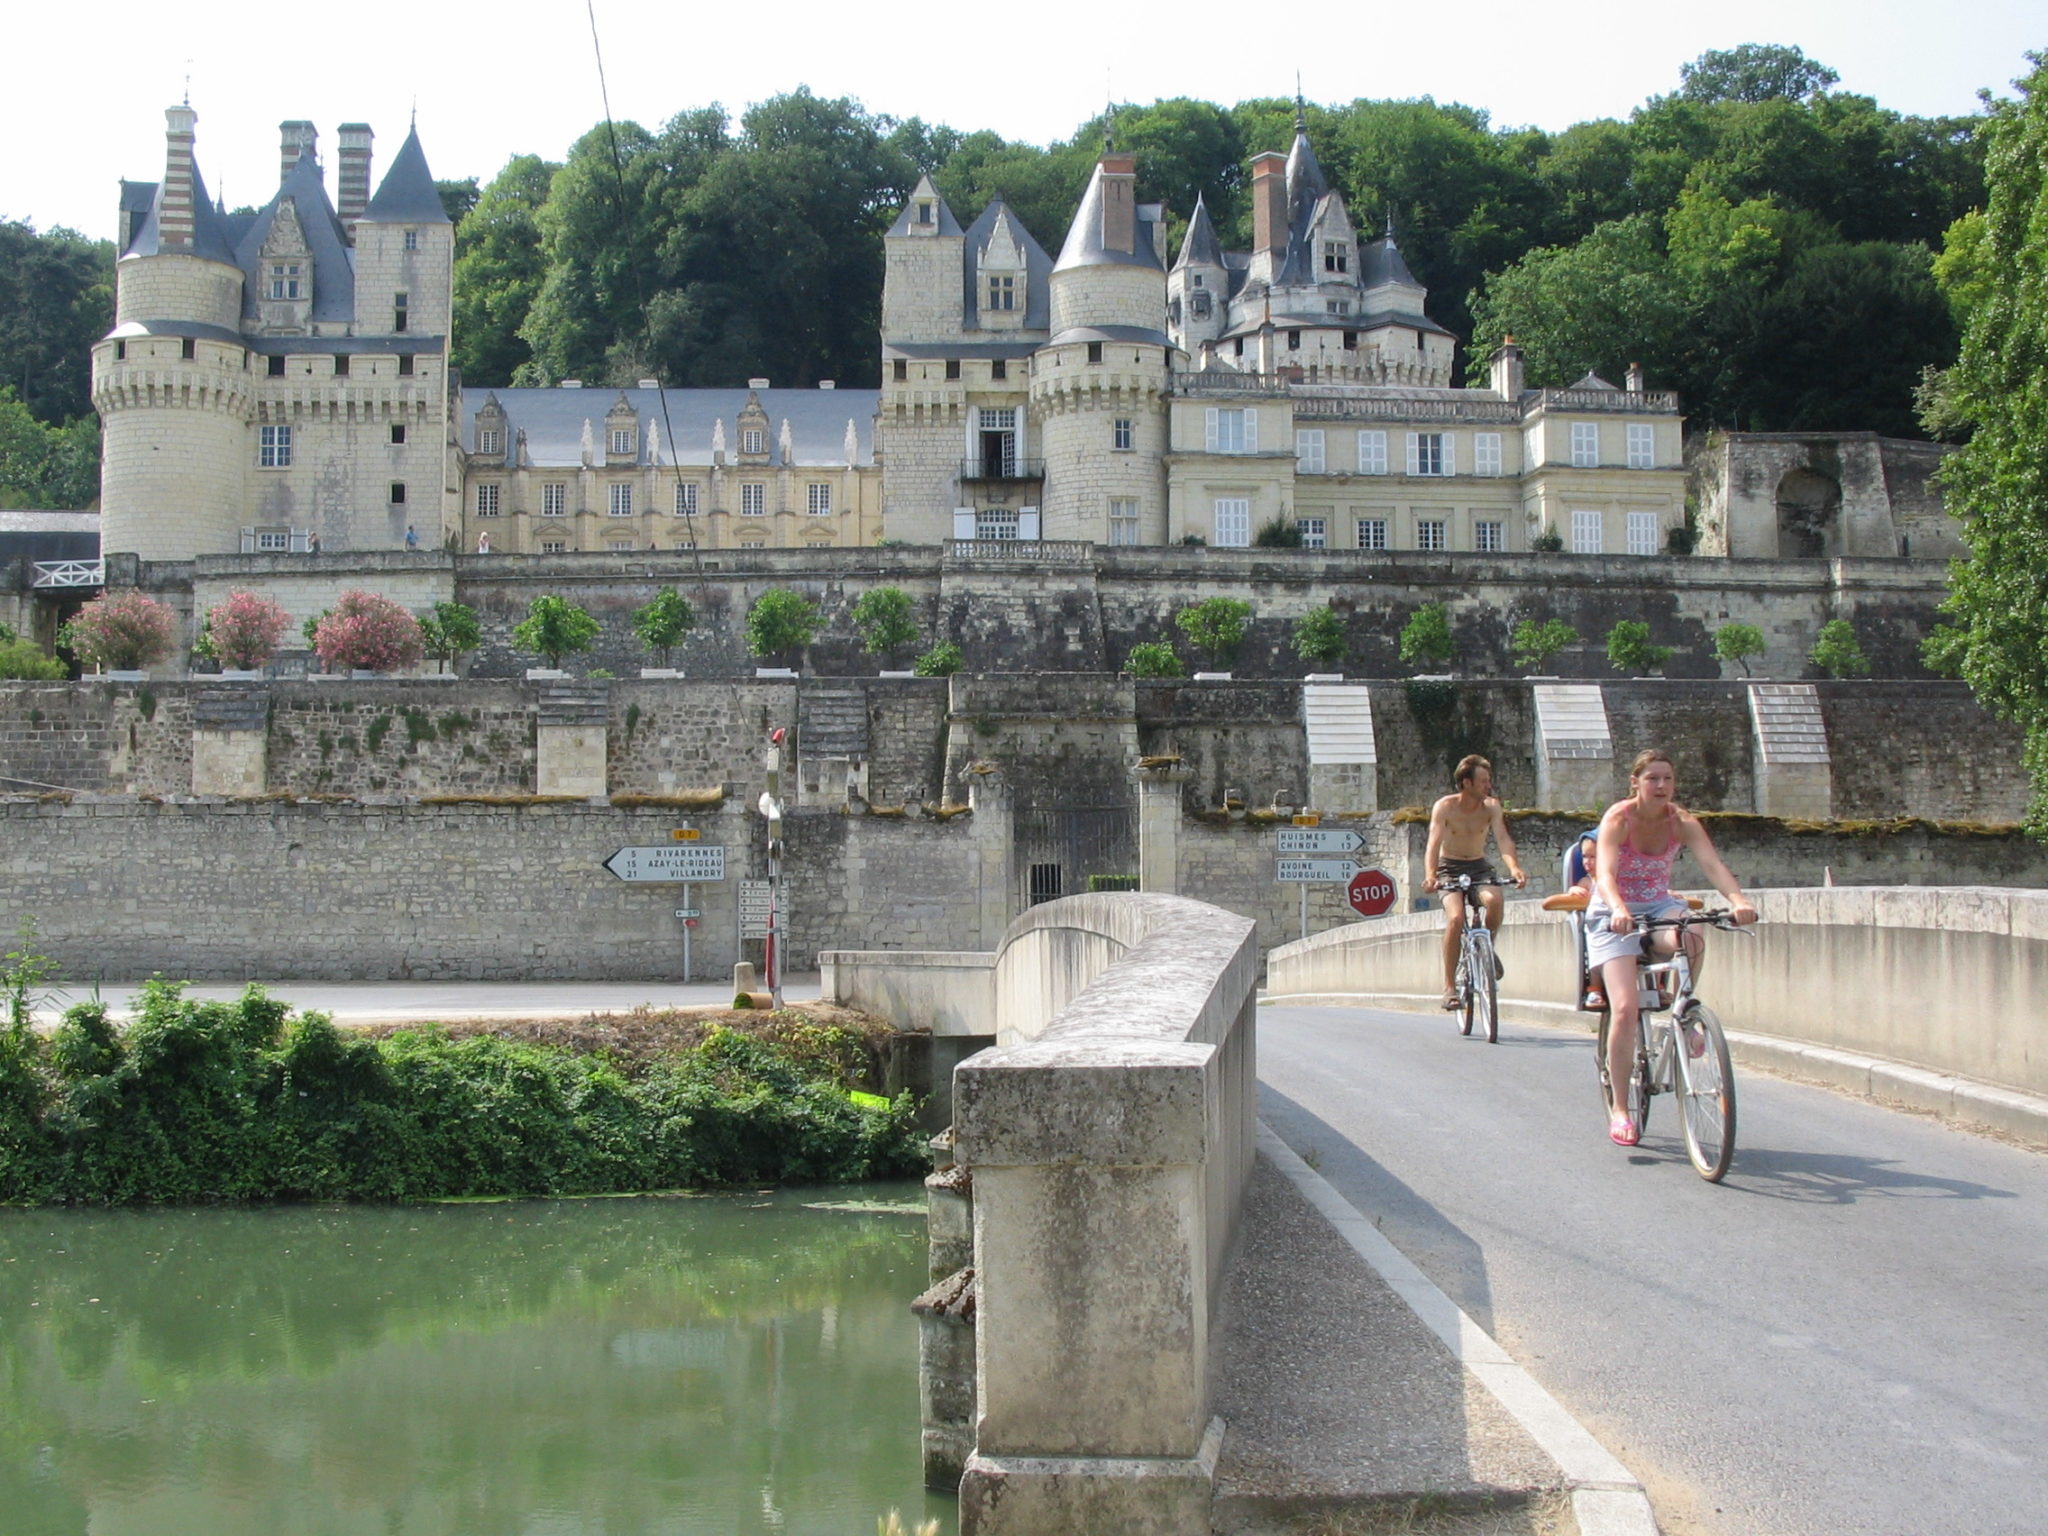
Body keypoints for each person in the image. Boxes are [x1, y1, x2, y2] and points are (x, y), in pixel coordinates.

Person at [1589, 748, 1757, 1146]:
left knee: (1695, 929)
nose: (1661, 786)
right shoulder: (1618, 818)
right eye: (1652, 779)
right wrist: (1617, 908)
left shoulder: (1681, 822)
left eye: (1667, 779)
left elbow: (1713, 865)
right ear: (1636, 782)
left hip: (1659, 906)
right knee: (1626, 1008)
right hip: (1614, 913)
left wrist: (1739, 901)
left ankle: (1683, 1009)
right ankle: (1620, 1109)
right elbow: (1606, 873)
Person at [1424, 754, 1528, 1010]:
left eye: (1488, 780)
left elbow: (1503, 839)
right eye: (1483, 781)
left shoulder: (1491, 807)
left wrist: (1514, 867)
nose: (1488, 786)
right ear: (1466, 783)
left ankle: (1486, 951)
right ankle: (1449, 988)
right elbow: (1433, 844)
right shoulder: (1445, 807)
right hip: (1449, 867)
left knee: (1494, 900)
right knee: (1456, 918)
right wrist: (1431, 875)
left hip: (1478, 866)